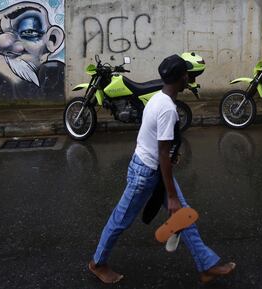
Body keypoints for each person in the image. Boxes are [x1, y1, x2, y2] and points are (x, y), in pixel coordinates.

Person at [89, 54, 236, 284]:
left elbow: (159, 146)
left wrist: (171, 159)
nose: (189, 77)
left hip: (152, 167)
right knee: (120, 220)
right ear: (181, 78)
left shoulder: (159, 97)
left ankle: (207, 266)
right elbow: (162, 154)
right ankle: (97, 263)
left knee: (183, 216)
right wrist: (171, 195)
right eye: (187, 74)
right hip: (145, 173)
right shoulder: (167, 109)